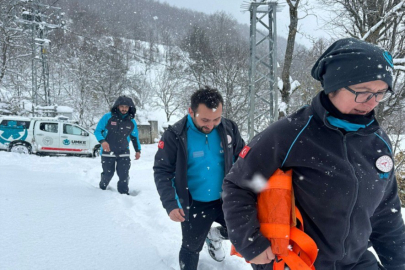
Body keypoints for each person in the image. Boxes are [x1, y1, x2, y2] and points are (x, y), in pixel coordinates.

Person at [222, 38, 405, 269]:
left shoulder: (378, 144)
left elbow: (386, 214)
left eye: (380, 93)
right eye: (363, 92)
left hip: (356, 263)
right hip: (298, 259)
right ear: (334, 86)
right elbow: (238, 186)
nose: (372, 102)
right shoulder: (290, 134)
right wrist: (251, 244)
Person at [153, 86, 245, 270]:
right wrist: (171, 204)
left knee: (244, 231)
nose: (210, 125)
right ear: (190, 111)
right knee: (191, 248)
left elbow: (243, 159)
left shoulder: (229, 129)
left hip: (224, 200)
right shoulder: (175, 135)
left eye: (216, 119)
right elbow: (162, 171)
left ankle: (215, 235)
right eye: (204, 119)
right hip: (194, 203)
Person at [95, 95, 141, 195]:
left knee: (123, 175)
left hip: (123, 151)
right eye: (122, 106)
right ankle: (102, 189)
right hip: (108, 151)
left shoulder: (131, 121)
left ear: (130, 108)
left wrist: (138, 150)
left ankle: (124, 194)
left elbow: (134, 137)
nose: (124, 109)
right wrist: (103, 141)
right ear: (117, 106)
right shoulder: (107, 117)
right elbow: (97, 131)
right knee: (108, 173)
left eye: (126, 107)